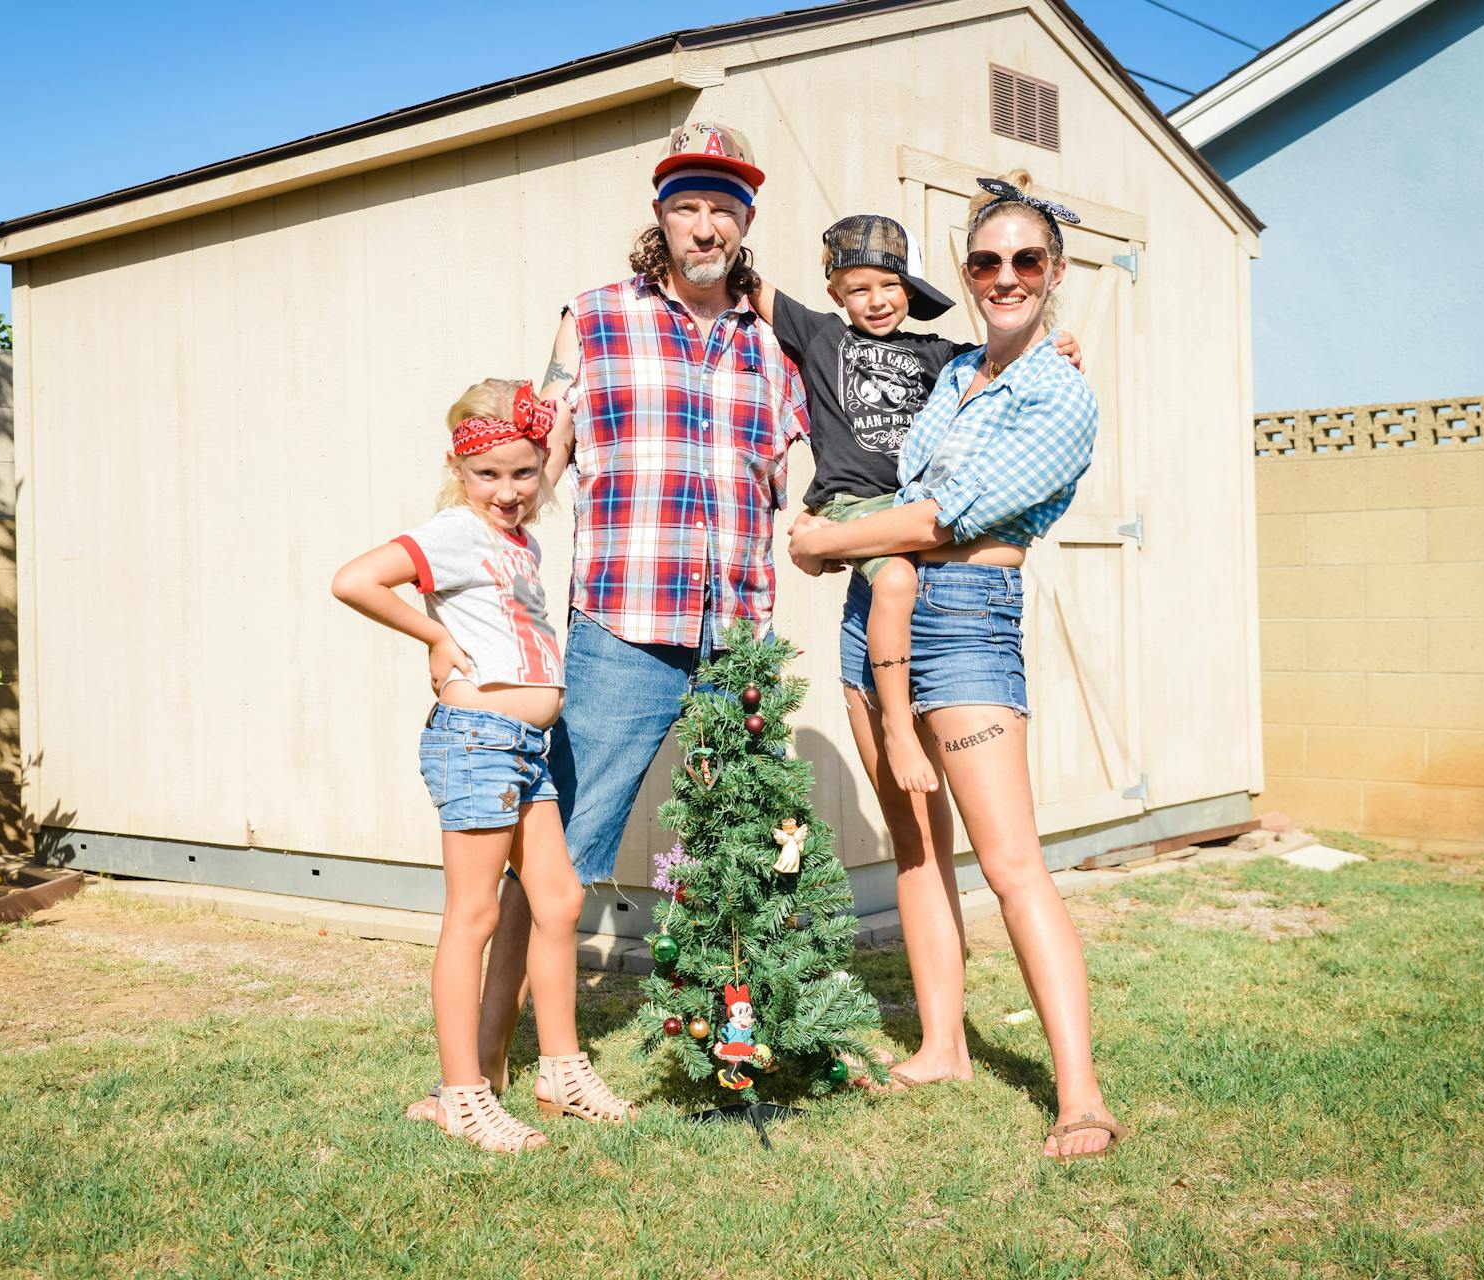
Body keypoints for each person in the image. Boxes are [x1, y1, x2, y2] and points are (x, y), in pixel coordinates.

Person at [461, 121, 811, 1102]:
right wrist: (485, 579)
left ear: (745, 223)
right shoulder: (597, 317)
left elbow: (861, 411)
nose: (706, 224)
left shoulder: (776, 340)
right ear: (661, 216)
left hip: (735, 634)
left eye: (724, 208)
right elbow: (537, 464)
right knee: (557, 857)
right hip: (621, 625)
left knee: (742, 849)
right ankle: (485, 1064)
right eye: (688, 205)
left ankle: (735, 1052)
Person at [788, 175, 1127, 1161]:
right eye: (988, 260)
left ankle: (1081, 1097)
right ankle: (942, 1044)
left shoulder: (1059, 395)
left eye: (1028, 260)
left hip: (967, 617)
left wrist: (824, 542)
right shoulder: (955, 373)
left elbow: (948, 514)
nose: (1007, 275)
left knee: (1012, 861)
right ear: (970, 273)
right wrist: (843, 540)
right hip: (877, 611)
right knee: (914, 842)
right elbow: (902, 476)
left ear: (1055, 272)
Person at [331, 379, 633, 1153]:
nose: (509, 490)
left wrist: (563, 395)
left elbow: (555, 441)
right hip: (477, 740)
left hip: (525, 749)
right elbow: (354, 579)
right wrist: (431, 638)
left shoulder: (521, 540)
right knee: (475, 916)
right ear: (459, 471)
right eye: (488, 474)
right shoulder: (454, 533)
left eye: (525, 473)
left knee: (559, 899)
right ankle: (460, 1096)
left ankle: (560, 1071)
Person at [753, 215, 1081, 795]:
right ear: (836, 294)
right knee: (897, 581)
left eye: (890, 286)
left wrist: (1061, 345)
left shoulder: (941, 357)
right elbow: (753, 286)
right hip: (849, 502)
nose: (877, 301)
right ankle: (899, 730)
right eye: (859, 289)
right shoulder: (822, 336)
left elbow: (1005, 360)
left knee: (899, 577)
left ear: (910, 290)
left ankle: (900, 721)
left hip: (905, 509)